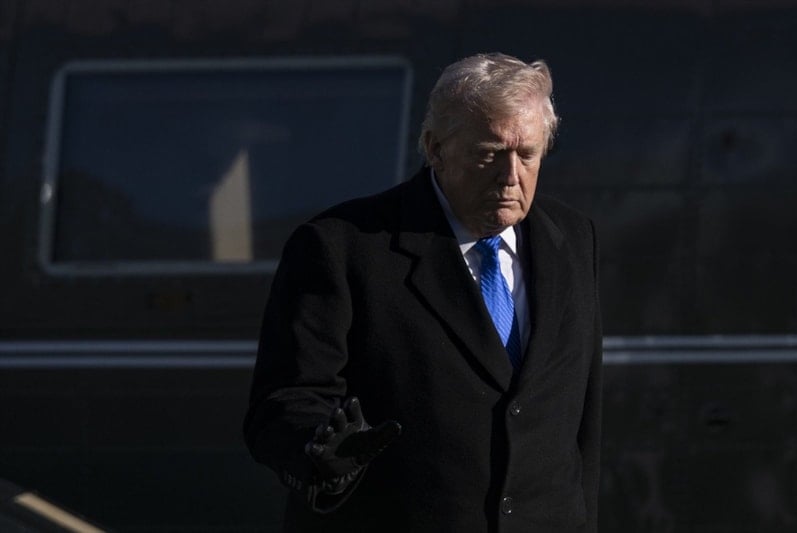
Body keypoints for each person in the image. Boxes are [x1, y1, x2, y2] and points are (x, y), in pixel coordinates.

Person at [244, 52, 602, 533]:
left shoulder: (572, 240)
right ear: (436, 149)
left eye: (527, 155)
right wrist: (320, 450)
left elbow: (582, 421)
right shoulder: (342, 247)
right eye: (489, 153)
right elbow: (285, 399)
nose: (510, 176)